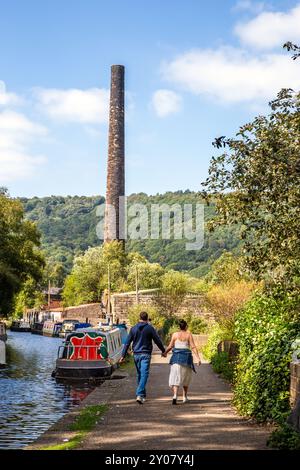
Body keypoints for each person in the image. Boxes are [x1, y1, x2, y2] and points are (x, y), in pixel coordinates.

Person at [119, 311, 166, 404]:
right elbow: (157, 340)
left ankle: (143, 396)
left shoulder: (133, 329)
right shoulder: (150, 328)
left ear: (139, 318)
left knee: (140, 374)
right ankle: (140, 394)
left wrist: (122, 356)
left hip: (136, 355)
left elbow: (127, 343)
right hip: (145, 354)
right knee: (144, 374)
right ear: (147, 319)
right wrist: (163, 350)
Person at [164, 319, 201, 405]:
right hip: (186, 359)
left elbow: (170, 346)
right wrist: (198, 358)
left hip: (176, 358)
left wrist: (165, 353)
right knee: (186, 377)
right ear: (186, 326)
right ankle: (184, 397)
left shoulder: (174, 335)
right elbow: (193, 347)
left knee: (176, 377)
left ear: (179, 327)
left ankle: (175, 396)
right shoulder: (189, 335)